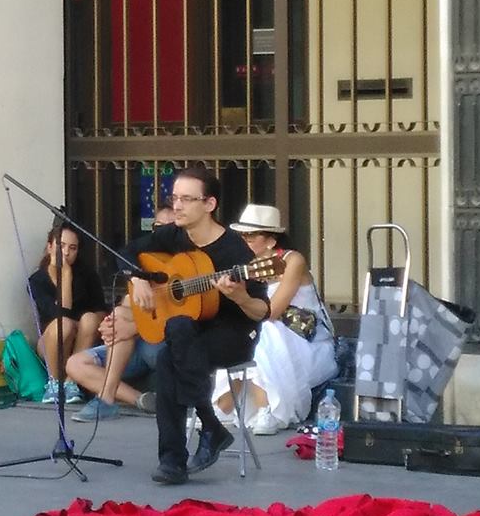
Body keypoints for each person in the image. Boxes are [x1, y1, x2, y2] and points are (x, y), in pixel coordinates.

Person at [125, 167, 269, 483]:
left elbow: (261, 311)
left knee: (174, 341)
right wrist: (137, 279)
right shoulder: (173, 235)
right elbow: (127, 252)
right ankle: (184, 451)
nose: (176, 206)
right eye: (174, 198)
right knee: (170, 351)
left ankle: (190, 446)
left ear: (209, 204)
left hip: (232, 334)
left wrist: (242, 297)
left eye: (186, 199)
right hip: (189, 335)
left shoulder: (236, 252)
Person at [214, 204, 338, 434]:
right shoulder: (241, 264)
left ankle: (267, 409)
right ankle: (223, 406)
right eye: (240, 236)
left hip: (305, 340)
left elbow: (272, 311)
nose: (243, 241)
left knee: (260, 333)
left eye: (250, 236)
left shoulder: (293, 261)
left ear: (271, 240)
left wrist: (240, 299)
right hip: (269, 341)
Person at [28, 222, 105, 405]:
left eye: (72, 248)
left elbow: (101, 310)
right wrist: (65, 274)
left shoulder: (87, 275)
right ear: (49, 247)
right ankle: (54, 383)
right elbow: (59, 315)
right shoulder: (36, 280)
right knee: (65, 324)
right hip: (50, 343)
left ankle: (71, 382)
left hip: (83, 341)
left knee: (89, 319)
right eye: (61, 246)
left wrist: (85, 324)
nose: (66, 253)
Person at [67, 296, 159, 421]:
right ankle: (143, 400)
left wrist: (134, 328)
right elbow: (128, 304)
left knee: (121, 318)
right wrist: (109, 323)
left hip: (164, 345)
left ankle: (106, 398)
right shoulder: (141, 279)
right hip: (135, 345)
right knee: (75, 364)